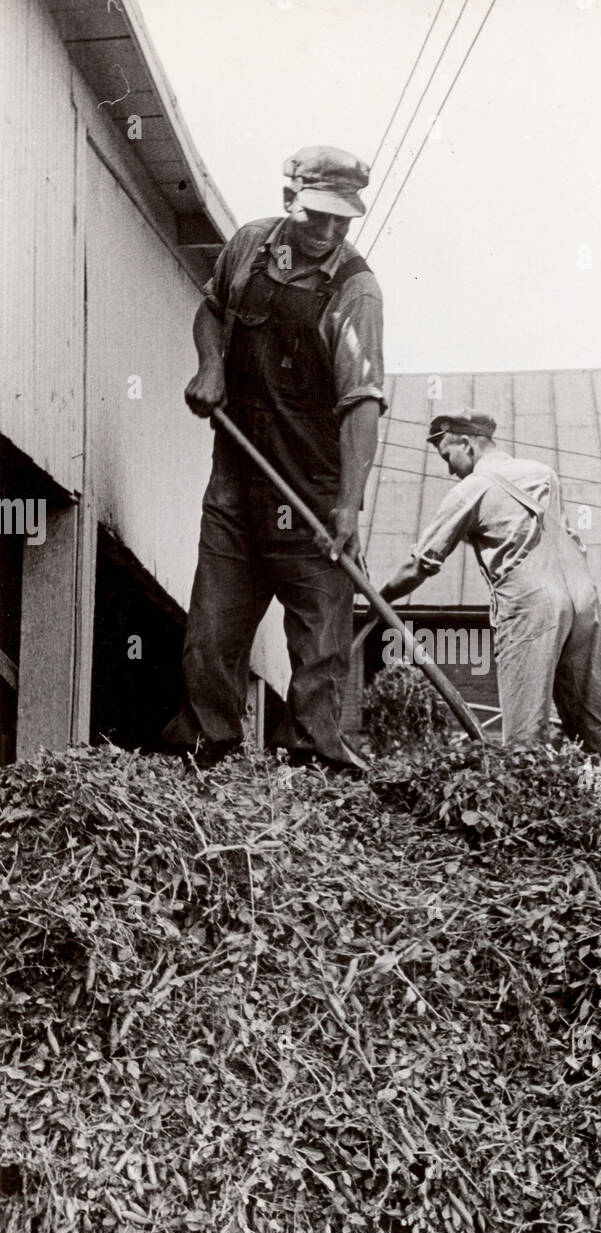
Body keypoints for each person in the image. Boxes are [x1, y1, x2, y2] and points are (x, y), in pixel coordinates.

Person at [162, 146, 385, 769]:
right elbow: (211, 311)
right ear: (290, 201)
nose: (332, 232)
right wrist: (210, 367)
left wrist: (348, 505)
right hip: (237, 478)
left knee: (320, 644)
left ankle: (315, 762)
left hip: (312, 491)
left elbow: (361, 402)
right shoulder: (249, 246)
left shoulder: (356, 291)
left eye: (344, 220)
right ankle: (205, 753)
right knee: (211, 631)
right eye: (320, 217)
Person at [377, 411, 601, 758]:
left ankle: (531, 808)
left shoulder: (471, 490)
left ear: (466, 443)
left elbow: (419, 566)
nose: (449, 469)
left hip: (531, 605)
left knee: (524, 740)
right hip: (583, 600)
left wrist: (379, 596)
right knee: (596, 726)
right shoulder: (543, 474)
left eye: (448, 457)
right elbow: (528, 531)